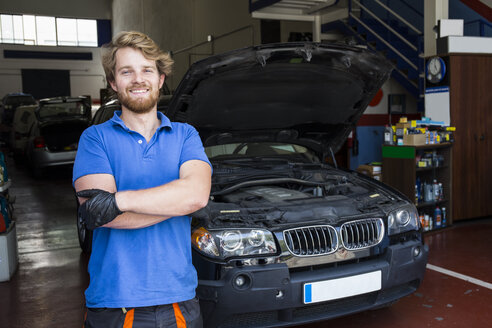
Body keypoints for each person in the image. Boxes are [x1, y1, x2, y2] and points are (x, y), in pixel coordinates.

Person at [73, 31, 212, 328]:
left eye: (147, 70)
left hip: (180, 300)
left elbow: (197, 196)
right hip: (115, 302)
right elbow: (99, 215)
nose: (138, 79)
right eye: (127, 71)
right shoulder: (94, 138)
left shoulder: (186, 135)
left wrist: (119, 200)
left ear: (160, 79)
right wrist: (178, 202)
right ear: (113, 83)